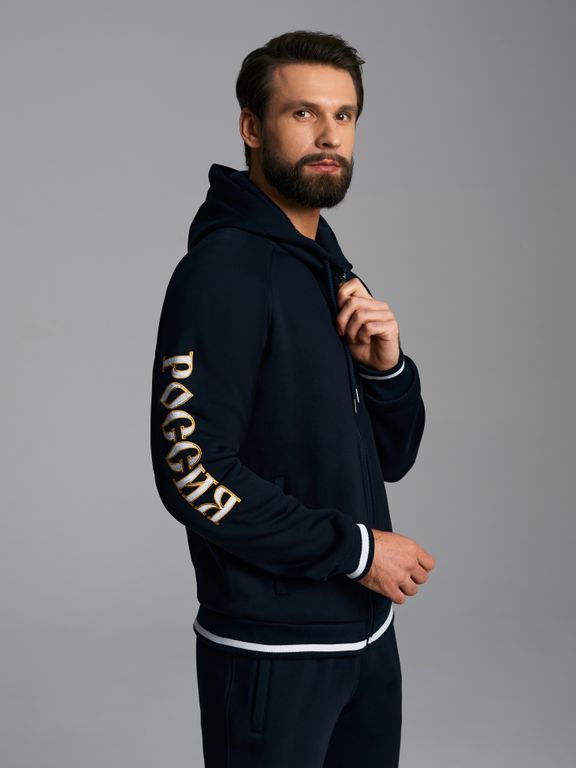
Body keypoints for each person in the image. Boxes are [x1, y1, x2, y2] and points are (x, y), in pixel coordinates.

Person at [150, 29, 435, 768]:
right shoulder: (223, 272)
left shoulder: (328, 268)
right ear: (252, 127)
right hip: (272, 654)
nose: (329, 135)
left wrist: (386, 371)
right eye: (303, 113)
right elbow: (191, 471)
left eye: (343, 116)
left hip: (366, 637)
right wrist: (358, 550)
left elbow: (392, 457)